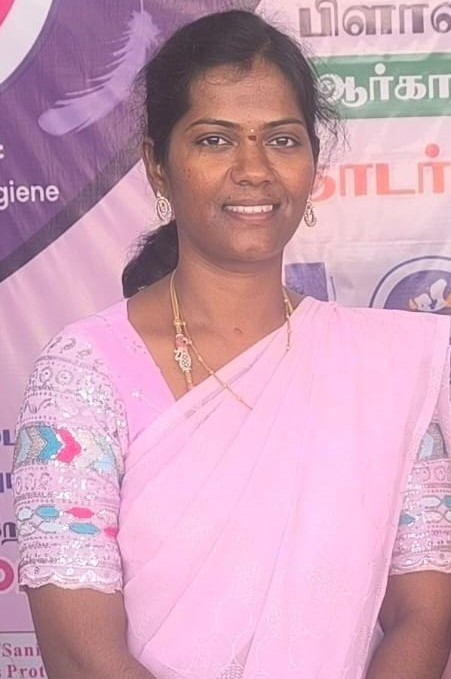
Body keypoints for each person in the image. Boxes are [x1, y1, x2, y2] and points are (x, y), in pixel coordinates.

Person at [12, 9, 451, 679]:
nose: (253, 169)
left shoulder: (383, 371)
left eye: (281, 139)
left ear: (311, 163)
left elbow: (426, 613)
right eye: (215, 140)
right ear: (158, 167)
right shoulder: (84, 373)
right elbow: (81, 654)